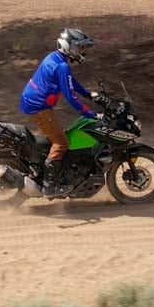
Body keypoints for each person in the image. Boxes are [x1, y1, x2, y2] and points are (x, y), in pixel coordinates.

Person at [19, 28, 98, 196]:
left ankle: (56, 170)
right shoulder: (62, 66)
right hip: (38, 107)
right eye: (80, 47)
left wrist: (87, 94)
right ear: (70, 47)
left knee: (60, 135)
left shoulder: (55, 57)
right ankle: (50, 186)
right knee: (61, 142)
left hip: (34, 103)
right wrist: (91, 114)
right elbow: (71, 98)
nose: (83, 51)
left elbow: (69, 81)